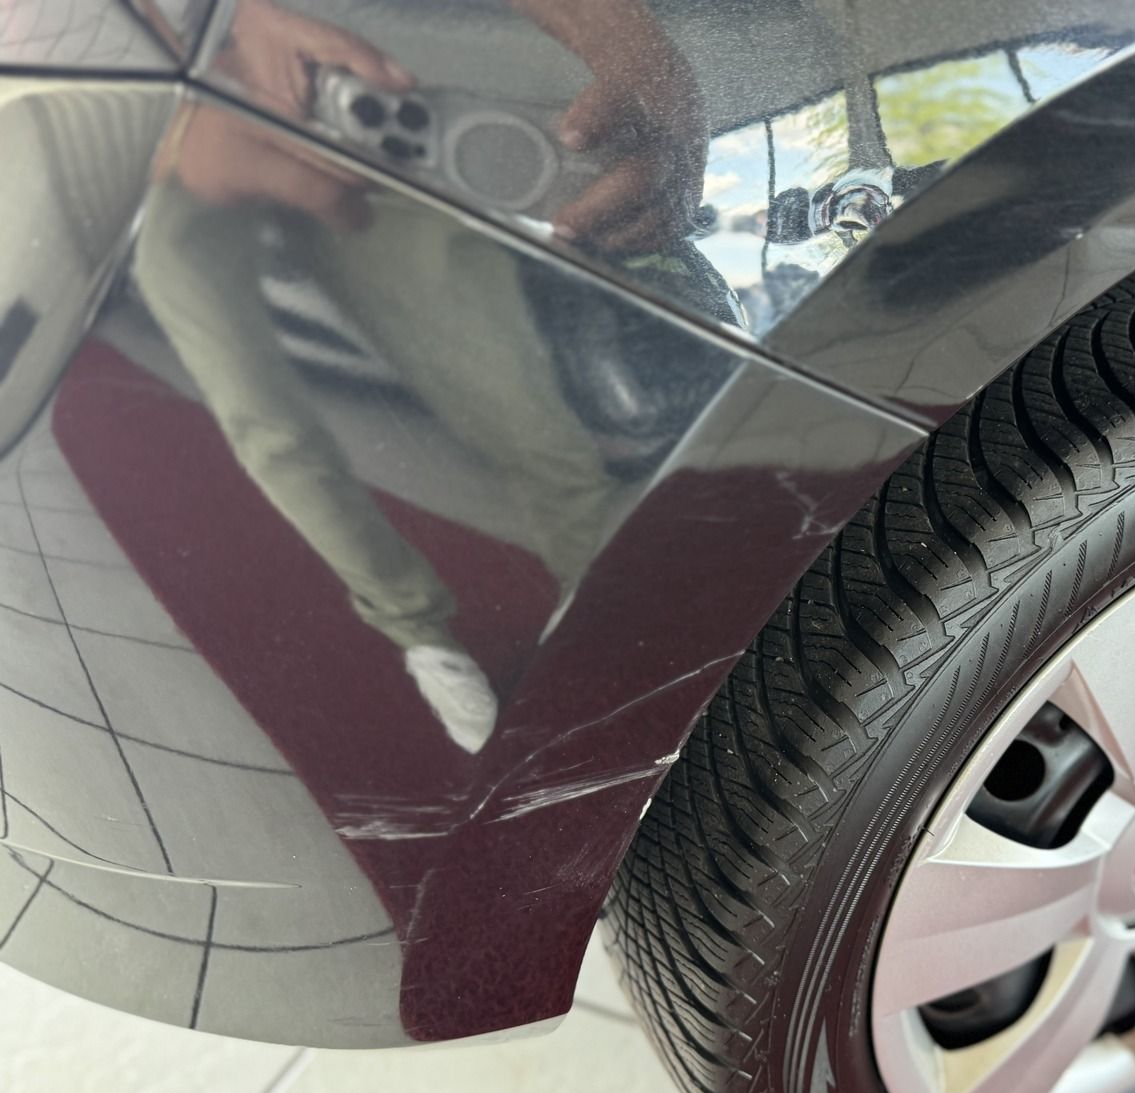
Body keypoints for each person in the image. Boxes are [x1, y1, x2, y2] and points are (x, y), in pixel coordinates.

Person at [135, 0, 712, 754]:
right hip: (145, 147)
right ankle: (420, 634)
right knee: (262, 421)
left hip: (313, 79)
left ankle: (614, 620)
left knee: (511, 393)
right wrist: (173, 119)